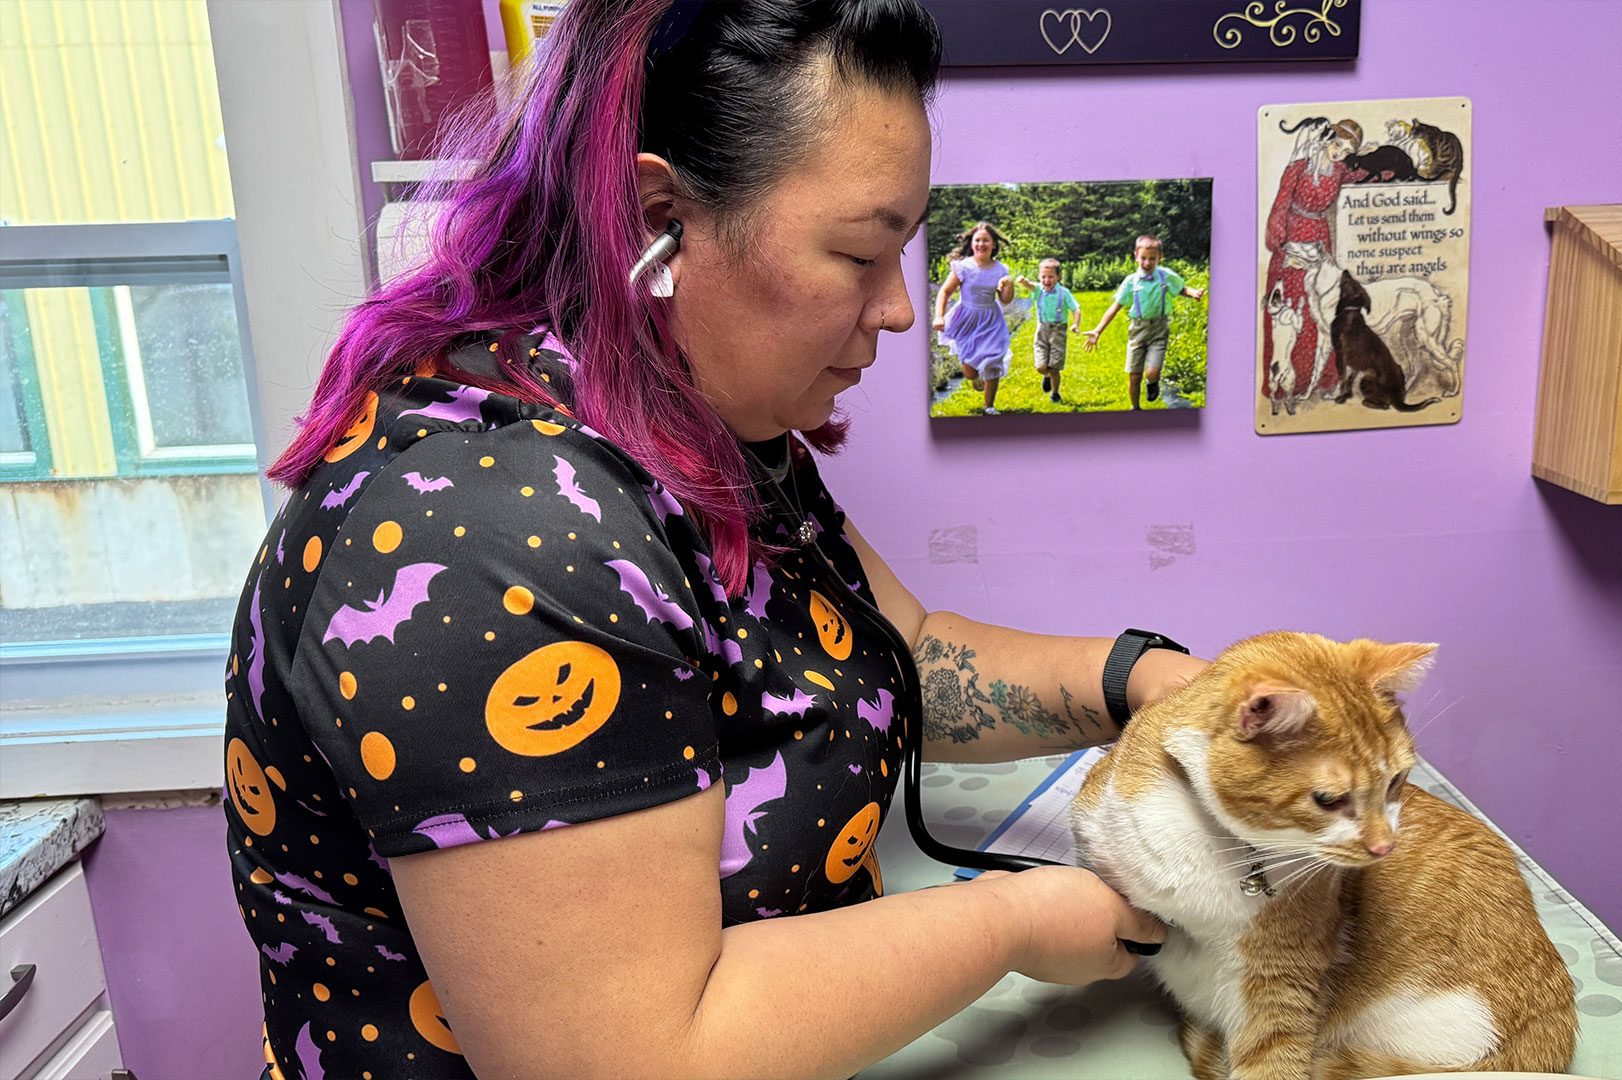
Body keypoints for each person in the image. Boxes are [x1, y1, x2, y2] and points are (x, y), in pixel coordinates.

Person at [223, 2, 1196, 1077]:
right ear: (661, 217)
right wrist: (1015, 925)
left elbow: (896, 654)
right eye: (861, 252)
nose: (901, 312)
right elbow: (634, 1057)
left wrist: (1145, 680)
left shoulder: (696, 421)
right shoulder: (487, 532)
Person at [1262, 117, 1366, 415]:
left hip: (1320, 240)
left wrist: (1385, 166)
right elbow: (1281, 205)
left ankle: (1319, 377)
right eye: (1338, 145)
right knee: (1292, 309)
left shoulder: (1340, 171)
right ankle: (1286, 383)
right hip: (1294, 237)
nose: (1340, 154)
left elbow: (1364, 176)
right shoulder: (1298, 168)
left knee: (1319, 307)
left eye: (1347, 151)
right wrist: (1279, 244)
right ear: (1327, 139)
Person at [1081, 235, 1205, 411]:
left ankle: (1152, 382)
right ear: (1136, 256)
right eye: (1143, 258)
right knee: (1134, 375)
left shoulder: (1165, 276)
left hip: (1159, 329)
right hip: (1137, 330)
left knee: (1152, 372)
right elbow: (1114, 308)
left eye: (1152, 259)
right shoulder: (1131, 281)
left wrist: (1193, 293)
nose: (1147, 263)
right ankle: (1135, 408)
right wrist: (1097, 331)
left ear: (1160, 258)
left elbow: (1181, 289)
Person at [931, 222, 1016, 415]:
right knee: (969, 369)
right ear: (972, 244)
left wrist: (1009, 285)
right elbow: (944, 291)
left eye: (986, 240)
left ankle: (990, 407)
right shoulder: (964, 267)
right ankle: (976, 378)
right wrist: (939, 316)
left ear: (994, 244)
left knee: (994, 360)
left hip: (991, 319)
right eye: (978, 240)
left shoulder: (1001, 270)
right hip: (966, 319)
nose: (981, 244)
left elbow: (1006, 300)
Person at [1015, 258, 1080, 404]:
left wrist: (1076, 324)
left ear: (1059, 276)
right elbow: (1030, 286)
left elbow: (1076, 309)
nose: (1047, 280)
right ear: (1039, 276)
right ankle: (1047, 375)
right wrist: (1023, 281)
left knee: (1055, 367)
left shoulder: (1064, 293)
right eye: (1043, 277)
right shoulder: (1038, 290)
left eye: (1051, 277)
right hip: (1042, 330)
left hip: (1059, 331)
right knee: (1041, 367)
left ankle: (1055, 393)